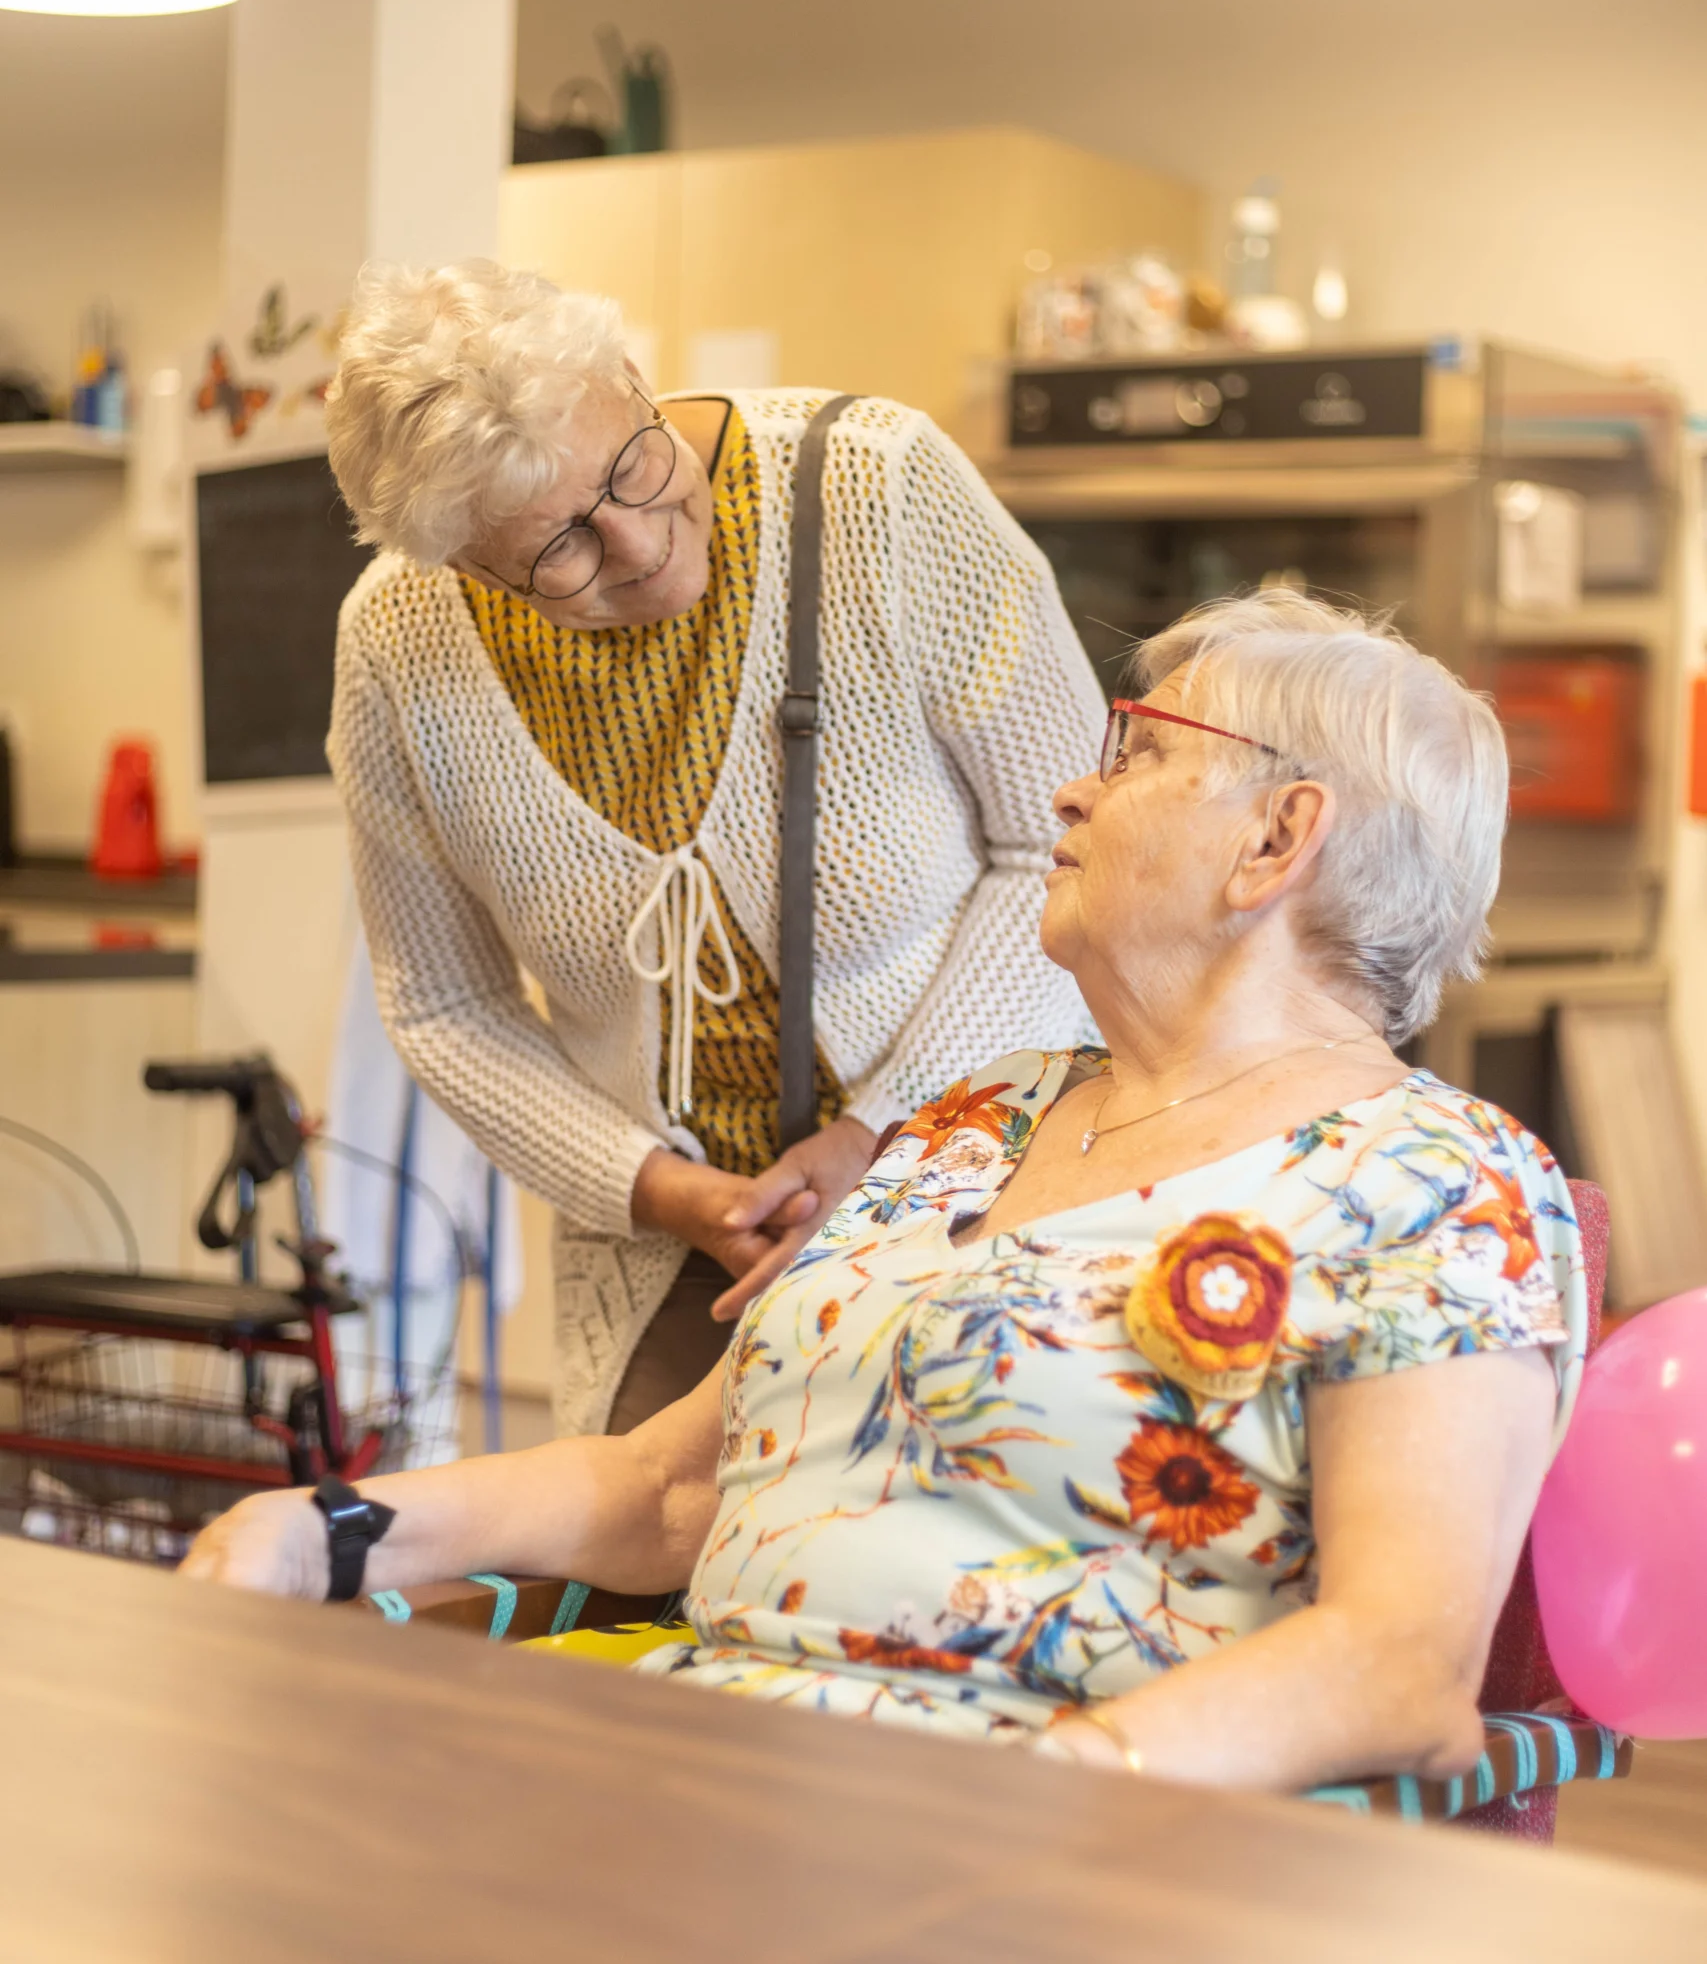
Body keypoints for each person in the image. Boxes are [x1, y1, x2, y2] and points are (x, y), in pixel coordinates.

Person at [189, 590, 1582, 1797]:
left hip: (1037, 1867)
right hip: (695, 1776)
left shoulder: (1433, 1187)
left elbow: (1395, 1660)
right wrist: (327, 1524)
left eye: (1143, 751)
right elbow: (666, 1488)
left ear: (1275, 841)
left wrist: (1048, 1795)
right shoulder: (972, 1122)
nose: (1068, 790)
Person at [322, 261, 1103, 1435]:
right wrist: (665, 1191)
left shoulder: (875, 488)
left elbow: (1069, 840)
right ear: (463, 566)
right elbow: (442, 1003)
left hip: (976, 1175)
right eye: (560, 552)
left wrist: (880, 1136)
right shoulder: (398, 641)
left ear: (633, 379)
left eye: (631, 465)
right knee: (648, 1584)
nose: (637, 544)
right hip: (678, 1247)